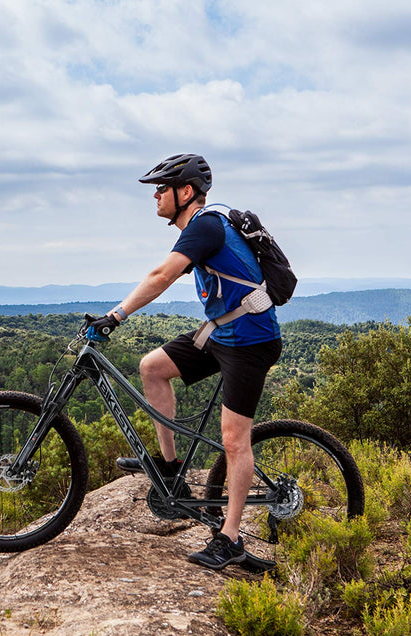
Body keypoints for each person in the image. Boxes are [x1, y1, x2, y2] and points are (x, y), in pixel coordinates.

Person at [86, 153, 283, 571]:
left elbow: (162, 275)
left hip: (250, 342)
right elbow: (173, 275)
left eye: (162, 188)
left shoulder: (207, 226)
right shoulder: (204, 226)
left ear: (186, 192)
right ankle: (171, 469)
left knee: (233, 439)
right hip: (221, 333)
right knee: (152, 367)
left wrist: (115, 316)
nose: (155, 195)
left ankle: (230, 540)